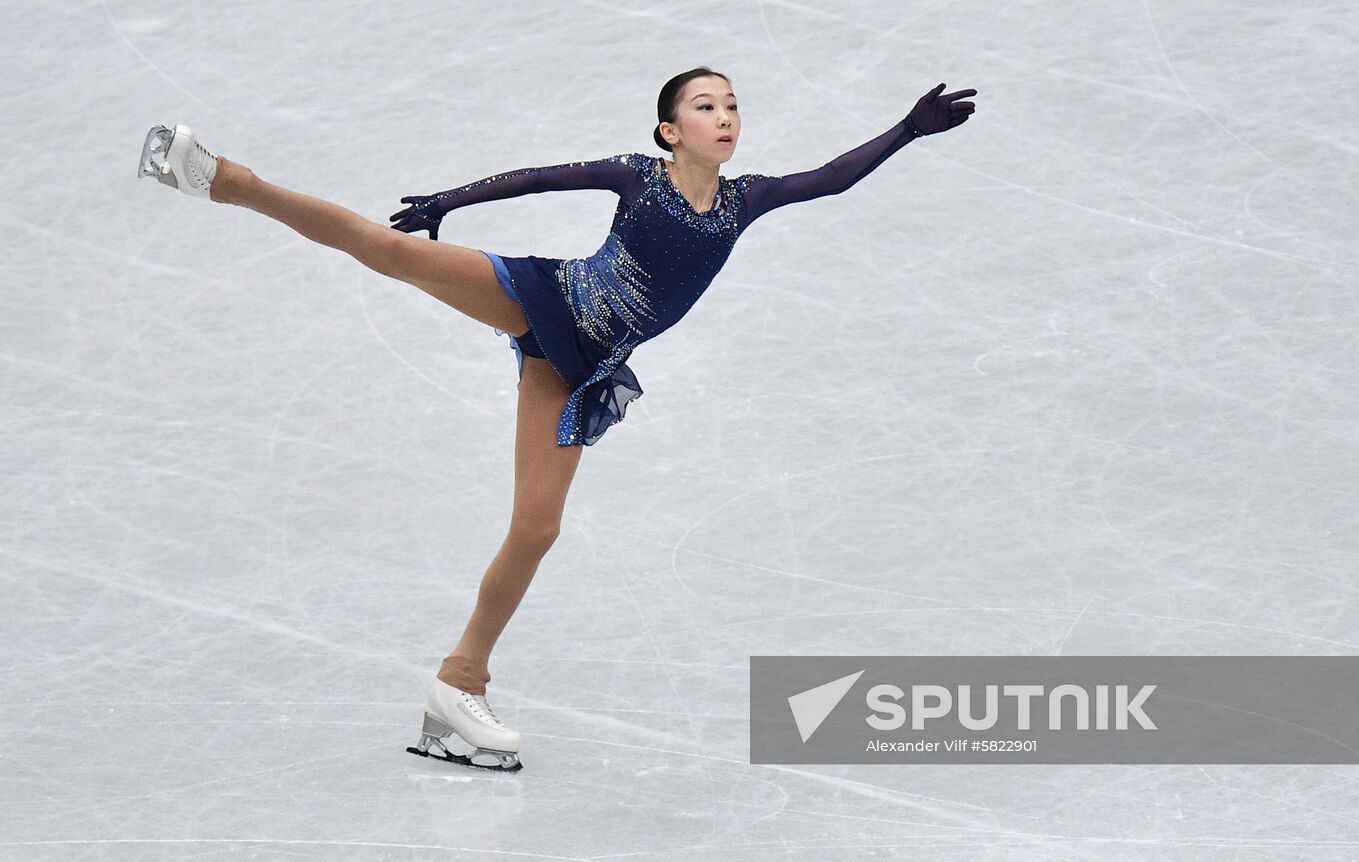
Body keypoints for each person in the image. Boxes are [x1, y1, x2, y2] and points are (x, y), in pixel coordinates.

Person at [136, 67, 977, 771]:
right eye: (704, 107)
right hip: (546, 297)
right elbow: (540, 178)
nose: (724, 117)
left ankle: (457, 686)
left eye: (731, 105)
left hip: (577, 364)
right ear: (667, 131)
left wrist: (907, 127)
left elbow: (828, 178)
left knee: (536, 530)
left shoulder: (746, 199)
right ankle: (222, 178)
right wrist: (451, 200)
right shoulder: (637, 175)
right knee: (389, 251)